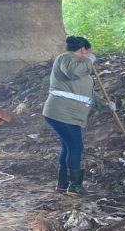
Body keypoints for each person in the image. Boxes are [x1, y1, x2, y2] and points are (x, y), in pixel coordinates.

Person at [43, 36, 109, 195]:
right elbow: (72, 72)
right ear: (83, 50)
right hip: (62, 113)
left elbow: (82, 91)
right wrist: (89, 61)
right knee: (75, 147)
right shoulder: (67, 58)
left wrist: (104, 104)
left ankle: (63, 183)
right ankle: (74, 186)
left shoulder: (79, 65)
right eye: (87, 52)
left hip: (68, 114)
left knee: (68, 147)